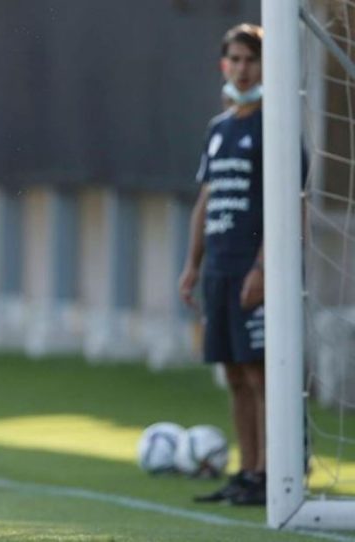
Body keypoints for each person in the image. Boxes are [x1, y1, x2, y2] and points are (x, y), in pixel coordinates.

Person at [178, 24, 267, 506]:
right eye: (234, 59)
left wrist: (264, 268)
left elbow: (289, 202)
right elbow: (204, 201)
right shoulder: (220, 128)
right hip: (218, 270)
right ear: (224, 65)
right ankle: (247, 471)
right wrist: (192, 265)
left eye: (250, 59)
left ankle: (274, 472)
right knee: (233, 372)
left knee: (259, 372)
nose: (242, 68)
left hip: (253, 269)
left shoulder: (272, 125)